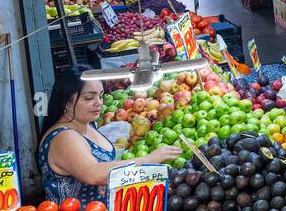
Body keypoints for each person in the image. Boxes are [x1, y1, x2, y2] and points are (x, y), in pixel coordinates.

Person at [37, 71, 181, 203]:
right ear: (66, 102)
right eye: (89, 98)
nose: (98, 103)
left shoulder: (87, 125)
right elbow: (94, 173)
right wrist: (147, 160)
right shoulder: (64, 137)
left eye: (100, 96)